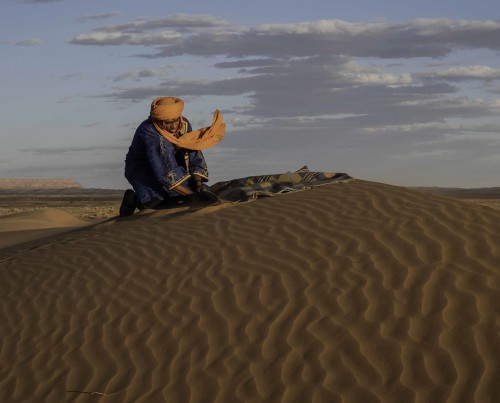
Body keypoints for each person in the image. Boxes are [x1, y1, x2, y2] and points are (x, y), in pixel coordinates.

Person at [119, 96, 225, 216]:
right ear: (159, 121)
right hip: (142, 168)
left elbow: (193, 151)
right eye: (168, 122)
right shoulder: (150, 132)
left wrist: (198, 183)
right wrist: (193, 196)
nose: (174, 126)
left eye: (175, 120)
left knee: (191, 194)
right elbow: (163, 170)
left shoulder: (183, 124)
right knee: (154, 204)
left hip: (173, 165)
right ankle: (133, 199)